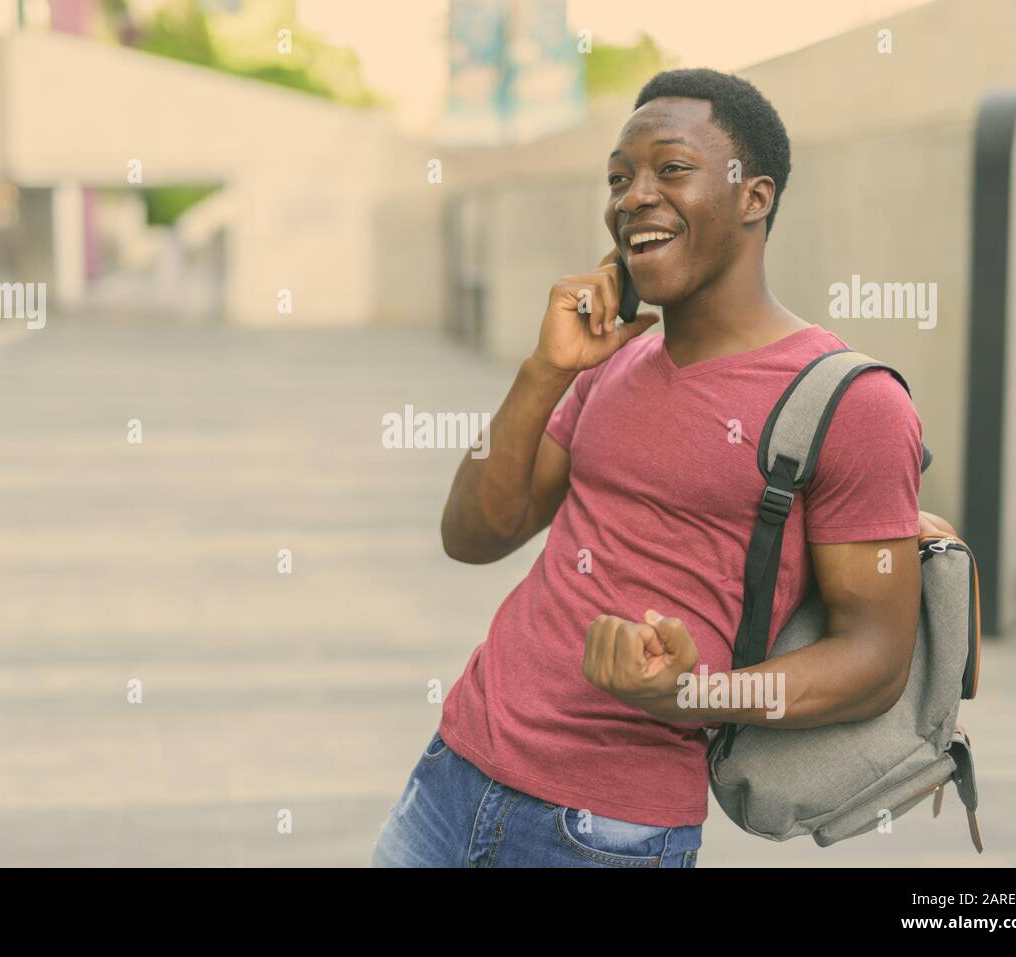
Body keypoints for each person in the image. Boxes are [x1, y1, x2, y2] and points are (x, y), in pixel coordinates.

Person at [372, 68, 929, 868]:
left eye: (670, 168)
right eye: (618, 177)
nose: (633, 195)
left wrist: (694, 693)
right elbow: (473, 534)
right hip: (453, 771)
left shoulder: (852, 402)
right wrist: (545, 369)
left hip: (605, 832)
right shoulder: (613, 361)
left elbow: (876, 660)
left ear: (753, 195)